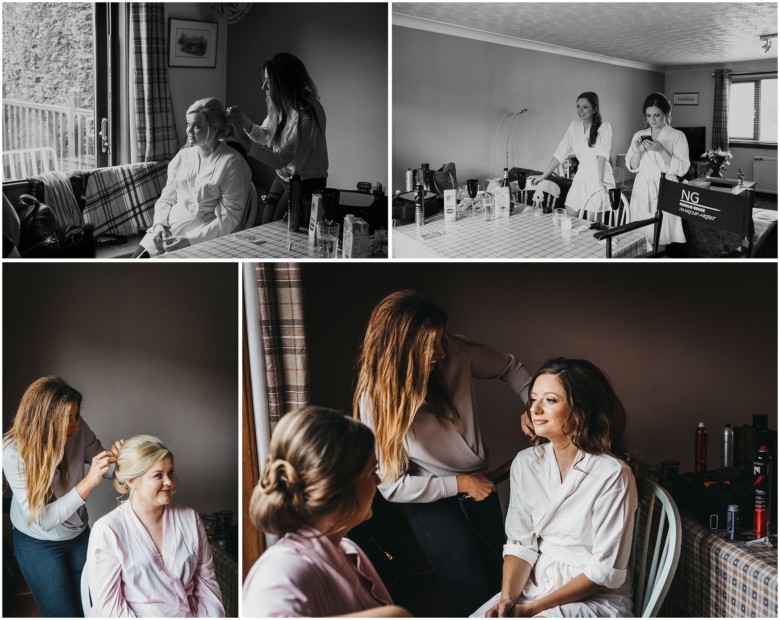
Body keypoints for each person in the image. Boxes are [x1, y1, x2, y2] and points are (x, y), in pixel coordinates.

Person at [354, 290, 532, 617]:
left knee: (504, 587)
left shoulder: (455, 351)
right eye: (431, 344)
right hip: (429, 502)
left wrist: (533, 407)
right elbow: (391, 487)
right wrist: (460, 484)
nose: (441, 351)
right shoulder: (376, 399)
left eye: (441, 339)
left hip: (480, 487)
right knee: (472, 598)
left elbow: (510, 366)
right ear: (403, 348)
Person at [473, 358, 639, 618]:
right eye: (533, 399)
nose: (535, 409)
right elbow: (520, 544)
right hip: (535, 585)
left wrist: (533, 609)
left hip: (593, 596)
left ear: (581, 410)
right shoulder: (526, 463)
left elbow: (603, 570)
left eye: (550, 400)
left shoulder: (612, 474)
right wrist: (507, 599)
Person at [242, 406, 408, 617]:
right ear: (335, 487)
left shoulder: (347, 549)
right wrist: (393, 615)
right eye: (371, 472)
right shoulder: (282, 569)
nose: (378, 480)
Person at [2, 376, 122, 617]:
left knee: (94, 606)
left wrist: (122, 461)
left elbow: (104, 466)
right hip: (37, 540)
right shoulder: (12, 452)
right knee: (62, 613)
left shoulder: (78, 427)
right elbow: (43, 520)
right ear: (43, 420)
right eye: (67, 418)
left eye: (75, 415)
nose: (75, 425)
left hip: (78, 533)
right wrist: (88, 483)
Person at [85, 434, 225, 617]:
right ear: (131, 480)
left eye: (170, 473)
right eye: (158, 475)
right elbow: (110, 608)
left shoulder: (190, 519)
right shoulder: (108, 530)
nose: (169, 482)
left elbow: (207, 583)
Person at [133, 97, 252, 257]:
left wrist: (190, 240)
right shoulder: (183, 156)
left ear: (215, 128)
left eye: (196, 126)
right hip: (167, 229)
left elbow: (230, 217)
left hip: (205, 235)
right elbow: (166, 200)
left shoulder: (231, 163)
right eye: (188, 124)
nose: (188, 130)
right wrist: (159, 225)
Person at [227, 53, 328, 225]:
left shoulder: (306, 115)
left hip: (305, 183)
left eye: (269, 81)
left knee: (279, 231)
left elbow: (280, 159)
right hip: (284, 177)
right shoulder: (281, 105)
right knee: (266, 225)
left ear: (285, 83)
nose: (263, 86)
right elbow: (266, 136)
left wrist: (244, 141)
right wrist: (244, 121)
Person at [531, 92, 615, 217]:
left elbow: (602, 156)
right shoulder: (574, 127)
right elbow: (560, 153)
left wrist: (600, 180)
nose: (580, 110)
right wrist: (544, 175)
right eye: (578, 106)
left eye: (585, 107)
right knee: (569, 214)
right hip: (581, 176)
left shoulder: (604, 127)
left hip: (598, 175)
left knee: (591, 223)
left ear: (594, 109)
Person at [625, 92, 690, 246]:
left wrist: (661, 150)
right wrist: (639, 151)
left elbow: (682, 170)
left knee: (661, 234)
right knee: (639, 234)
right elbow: (632, 166)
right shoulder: (639, 135)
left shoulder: (677, 136)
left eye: (657, 115)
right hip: (642, 188)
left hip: (665, 188)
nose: (652, 120)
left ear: (666, 114)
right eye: (648, 116)